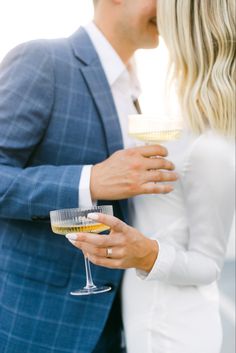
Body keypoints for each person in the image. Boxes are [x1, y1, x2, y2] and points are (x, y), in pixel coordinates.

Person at [0, 1, 178, 352]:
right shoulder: (43, 60)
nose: (169, 8)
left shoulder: (134, 91)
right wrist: (91, 180)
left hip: (115, 328)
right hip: (36, 323)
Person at [67, 0, 236, 352]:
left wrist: (143, 253)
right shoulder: (180, 122)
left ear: (184, 32)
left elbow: (208, 265)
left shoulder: (211, 144)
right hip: (145, 317)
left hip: (174, 329)